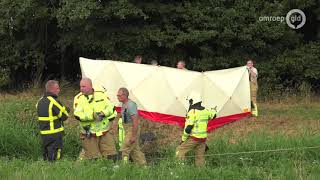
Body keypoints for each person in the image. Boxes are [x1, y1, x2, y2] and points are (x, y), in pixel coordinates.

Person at [73, 78, 117, 160]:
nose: (81, 88)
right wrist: (92, 116)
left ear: (90, 86)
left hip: (104, 131)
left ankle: (111, 171)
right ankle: (92, 171)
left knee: (111, 155)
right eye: (80, 86)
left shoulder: (101, 95)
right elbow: (77, 115)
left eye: (84, 86)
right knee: (93, 158)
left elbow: (111, 107)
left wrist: (103, 113)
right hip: (89, 133)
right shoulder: (78, 98)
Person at [176, 91, 216, 166]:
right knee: (200, 157)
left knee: (180, 150)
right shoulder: (205, 111)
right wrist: (214, 110)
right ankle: (201, 171)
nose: (189, 103)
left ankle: (181, 168)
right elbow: (213, 115)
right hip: (203, 139)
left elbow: (188, 128)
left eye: (190, 101)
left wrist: (183, 140)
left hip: (194, 138)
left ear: (193, 100)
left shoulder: (192, 112)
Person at [36, 80, 70, 161]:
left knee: (47, 153)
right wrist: (66, 109)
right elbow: (64, 116)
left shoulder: (40, 101)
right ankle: (55, 168)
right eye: (57, 88)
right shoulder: (53, 101)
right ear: (52, 89)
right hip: (54, 133)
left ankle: (47, 168)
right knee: (56, 154)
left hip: (44, 133)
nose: (59, 90)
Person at [116, 87, 146, 165]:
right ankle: (143, 166)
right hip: (127, 129)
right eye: (117, 96)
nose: (117, 97)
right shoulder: (123, 104)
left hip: (132, 129)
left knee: (125, 148)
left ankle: (124, 167)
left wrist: (133, 135)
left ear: (125, 95)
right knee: (135, 150)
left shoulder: (131, 105)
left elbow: (135, 121)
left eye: (119, 95)